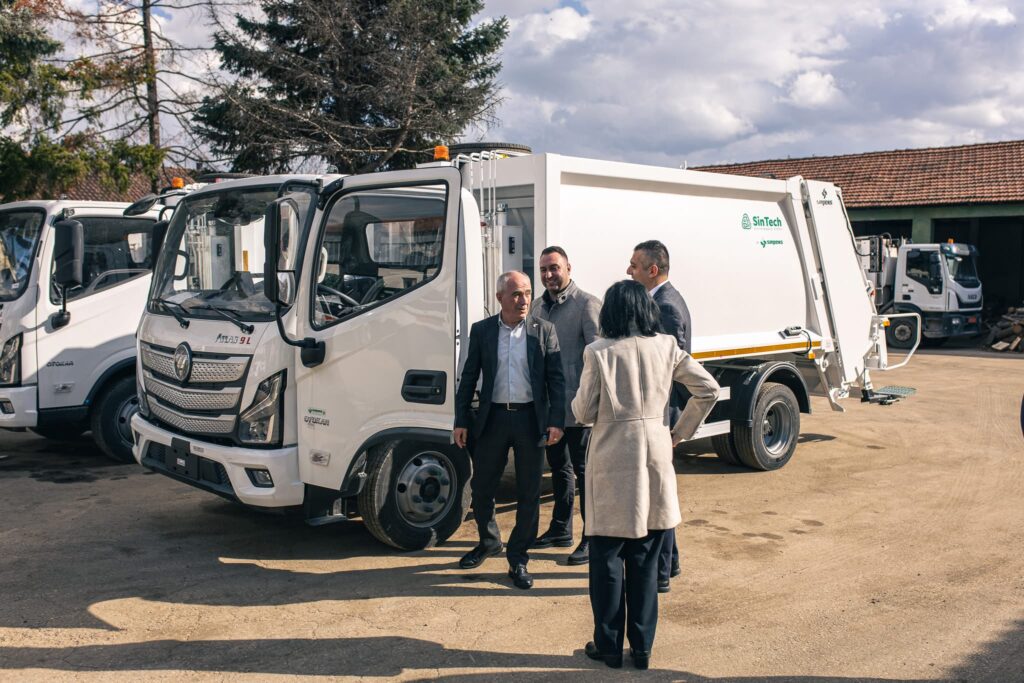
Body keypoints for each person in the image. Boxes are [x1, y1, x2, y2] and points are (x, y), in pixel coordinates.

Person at [572, 279, 720, 669]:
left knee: (607, 561)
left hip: (611, 460)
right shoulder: (667, 346)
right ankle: (642, 649)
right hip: (655, 456)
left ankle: (608, 647)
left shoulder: (598, 352)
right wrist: (679, 432)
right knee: (645, 560)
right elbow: (709, 389)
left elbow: (583, 412)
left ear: (610, 312)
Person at [453, 271, 566, 590]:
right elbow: (469, 375)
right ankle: (489, 541)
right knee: (482, 487)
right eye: (516, 294)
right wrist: (461, 419)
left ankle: (518, 556)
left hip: (531, 419)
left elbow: (556, 380)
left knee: (529, 492)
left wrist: (556, 420)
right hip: (494, 419)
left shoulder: (544, 330)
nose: (524, 300)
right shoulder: (483, 331)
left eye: (528, 293)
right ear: (500, 297)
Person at [531, 246, 602, 565]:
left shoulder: (587, 304)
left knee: (586, 475)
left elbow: (599, 358)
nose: (549, 275)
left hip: (578, 407)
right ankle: (561, 529)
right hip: (550, 408)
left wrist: (592, 403)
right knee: (559, 468)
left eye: (554, 268)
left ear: (568, 268)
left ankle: (592, 537)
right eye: (543, 270)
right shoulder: (537, 307)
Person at [627, 239, 690, 593]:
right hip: (661, 414)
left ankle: (662, 571)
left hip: (661, 414)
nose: (629, 270)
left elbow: (668, 367)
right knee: (661, 492)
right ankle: (672, 561)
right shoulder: (663, 299)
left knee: (659, 497)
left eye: (634, 265)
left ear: (652, 270)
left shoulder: (665, 306)